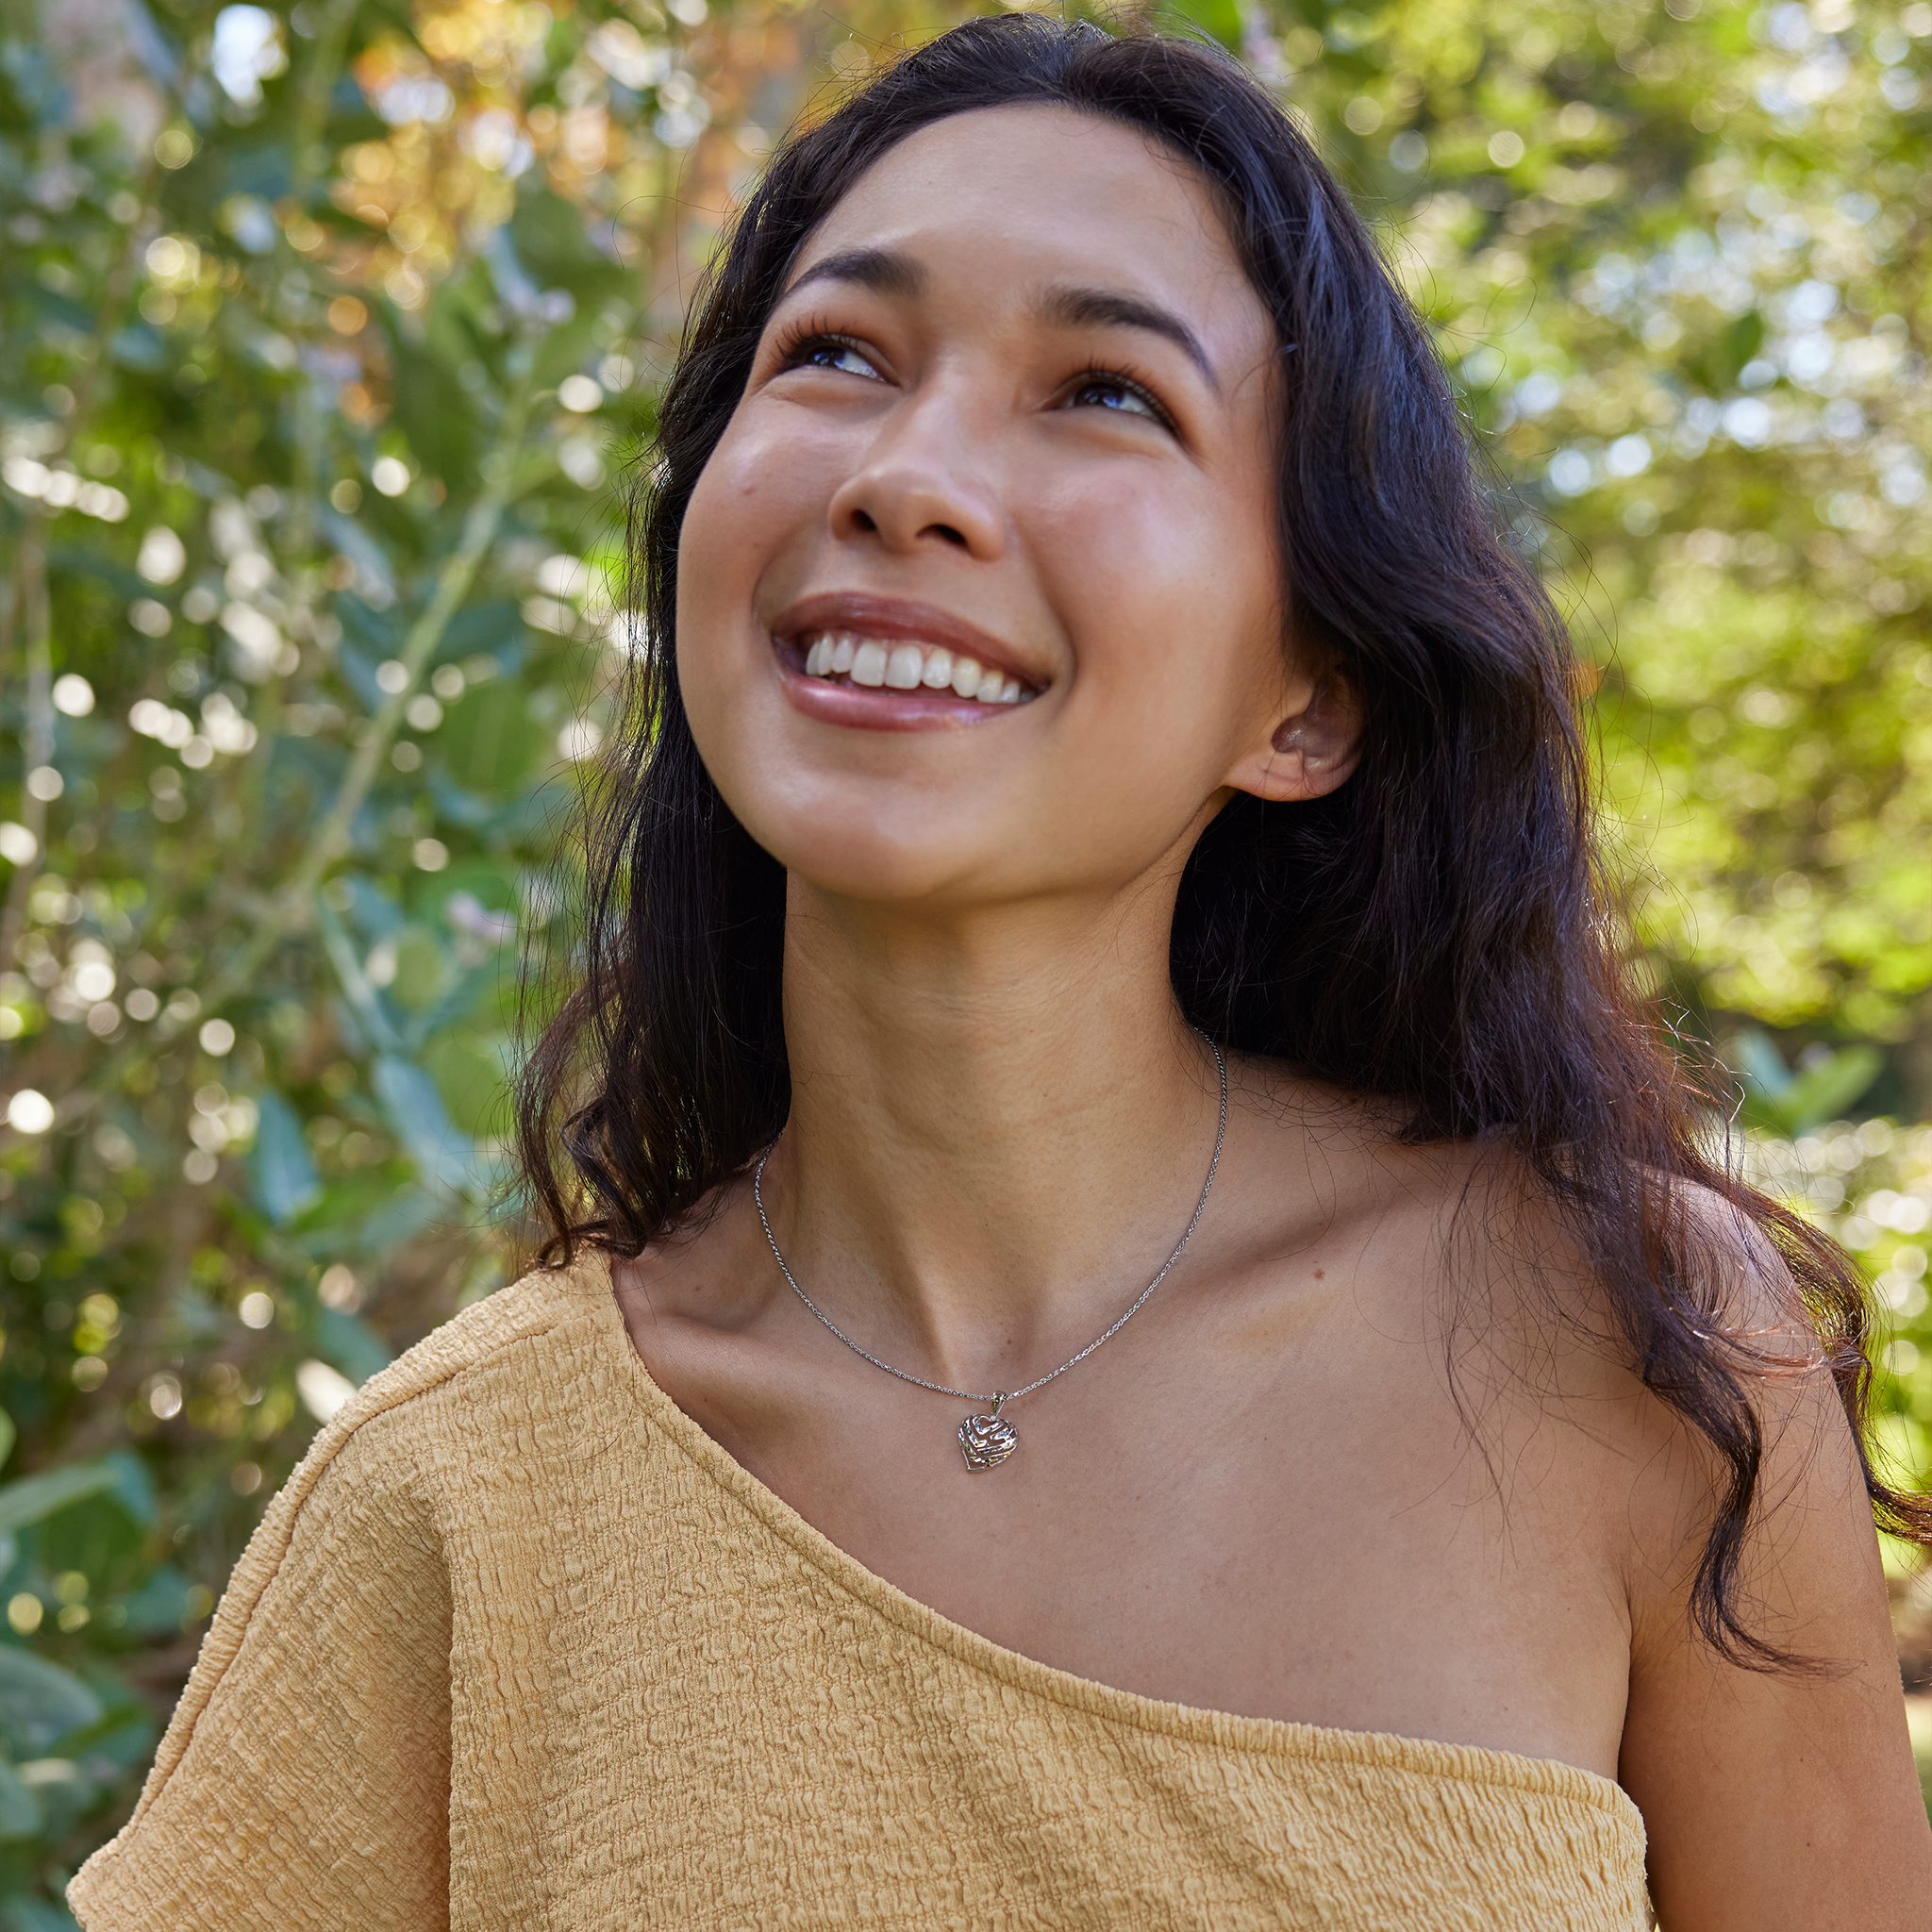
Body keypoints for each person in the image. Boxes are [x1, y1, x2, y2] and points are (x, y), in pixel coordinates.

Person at [71, 16, 1932, 1930]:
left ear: (1305, 700)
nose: (907, 472)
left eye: (1107, 392)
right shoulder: (451, 1508)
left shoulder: (1637, 1356)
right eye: (838, 356)